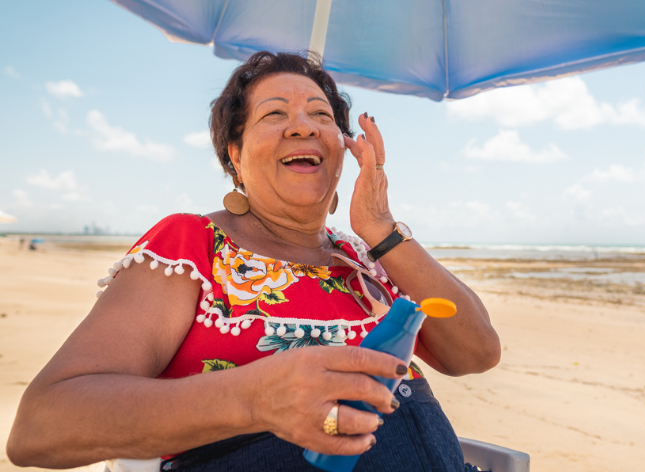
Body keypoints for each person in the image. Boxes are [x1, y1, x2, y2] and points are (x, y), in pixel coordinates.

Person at [6, 51, 500, 471]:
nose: (303, 126)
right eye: (275, 114)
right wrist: (251, 398)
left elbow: (475, 353)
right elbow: (41, 426)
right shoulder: (192, 243)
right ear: (234, 154)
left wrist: (380, 230)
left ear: (344, 150)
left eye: (322, 116)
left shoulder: (365, 258)